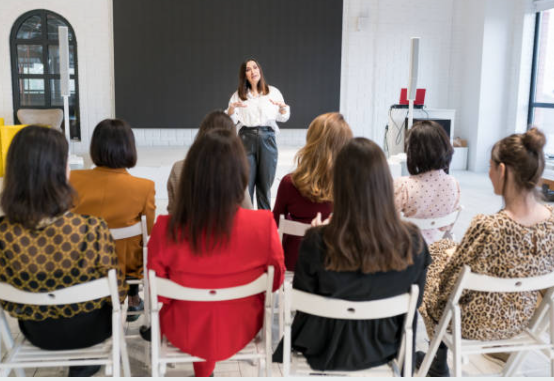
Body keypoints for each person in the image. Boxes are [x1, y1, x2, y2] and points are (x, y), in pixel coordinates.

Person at [273, 138, 430, 371]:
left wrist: (316, 235)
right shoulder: (413, 240)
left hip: (325, 348)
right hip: (385, 346)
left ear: (339, 187)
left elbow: (303, 301)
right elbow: (414, 302)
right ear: (385, 184)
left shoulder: (317, 241)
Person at [145, 129, 285, 377]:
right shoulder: (263, 225)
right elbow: (276, 281)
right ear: (240, 174)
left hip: (184, 328)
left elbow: (158, 294)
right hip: (241, 326)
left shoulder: (165, 227)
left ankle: (203, 371)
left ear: (190, 176)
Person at [417, 128, 554, 377]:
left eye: (490, 166)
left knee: (430, 259)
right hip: (521, 320)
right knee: (443, 248)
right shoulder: (552, 222)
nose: (489, 173)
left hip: (474, 324)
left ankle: (435, 360)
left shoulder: (488, 226)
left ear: (502, 171)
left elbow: (448, 289)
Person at [0, 126, 127, 377]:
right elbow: (118, 291)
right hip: (93, 329)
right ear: (61, 172)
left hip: (38, 333)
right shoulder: (91, 229)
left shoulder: (3, 234)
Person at [70, 119, 155, 320]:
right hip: (125, 269)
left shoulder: (71, 179)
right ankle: (133, 298)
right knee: (138, 246)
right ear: (129, 148)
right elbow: (149, 233)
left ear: (95, 147)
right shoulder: (144, 187)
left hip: (82, 262)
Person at [272, 112, 352, 271]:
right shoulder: (352, 185)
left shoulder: (290, 183)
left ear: (311, 143)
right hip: (337, 265)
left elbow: (274, 224)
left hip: (295, 264)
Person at [227, 58, 290, 210]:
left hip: (267, 139)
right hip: (245, 140)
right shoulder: (238, 95)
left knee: (265, 186)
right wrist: (230, 110)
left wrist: (282, 108)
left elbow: (283, 117)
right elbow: (231, 119)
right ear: (245, 75)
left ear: (260, 70)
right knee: (246, 188)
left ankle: (264, 226)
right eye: (248, 69)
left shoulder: (273, 92)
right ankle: (246, 226)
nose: (253, 71)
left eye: (255, 67)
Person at [166, 110, 253, 214]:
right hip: (227, 228)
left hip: (189, 229)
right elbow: (248, 211)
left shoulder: (178, 168)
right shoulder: (235, 169)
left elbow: (172, 212)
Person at [394, 120, 461, 244]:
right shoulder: (453, 184)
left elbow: (389, 223)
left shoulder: (403, 185)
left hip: (406, 251)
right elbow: (445, 227)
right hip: (435, 249)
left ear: (413, 152)